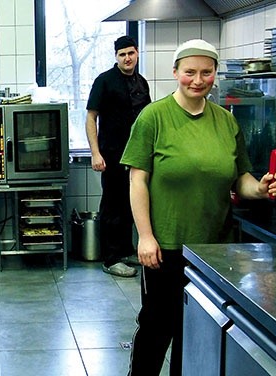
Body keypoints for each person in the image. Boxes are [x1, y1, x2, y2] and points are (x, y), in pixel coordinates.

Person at [120, 39, 276, 375]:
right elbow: (138, 180)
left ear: (214, 74)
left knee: (198, 328)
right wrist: (145, 236)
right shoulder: (154, 117)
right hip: (166, 246)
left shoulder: (226, 121)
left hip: (214, 249)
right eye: (190, 72)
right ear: (175, 72)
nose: (198, 80)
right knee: (157, 327)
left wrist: (262, 188)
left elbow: (241, 179)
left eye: (206, 72)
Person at [85, 35, 151, 277]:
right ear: (116, 57)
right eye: (122, 54)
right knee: (112, 207)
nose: (127, 58)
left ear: (136, 54)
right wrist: (95, 153)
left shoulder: (142, 83)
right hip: (111, 156)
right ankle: (110, 259)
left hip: (138, 157)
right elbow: (91, 117)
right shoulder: (104, 81)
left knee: (132, 205)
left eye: (131, 53)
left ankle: (125, 251)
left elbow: (148, 121)